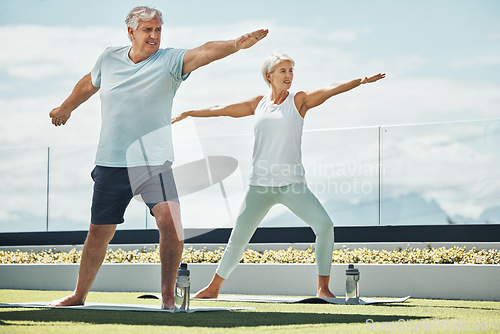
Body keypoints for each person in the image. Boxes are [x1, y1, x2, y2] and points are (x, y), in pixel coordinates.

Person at [47, 6, 268, 310]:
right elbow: (89, 83)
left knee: (170, 222)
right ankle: (78, 295)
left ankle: (167, 297)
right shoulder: (109, 57)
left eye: (158, 29)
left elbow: (203, 52)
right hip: (111, 163)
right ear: (131, 32)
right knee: (99, 232)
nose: (154, 35)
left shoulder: (170, 61)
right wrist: (66, 107)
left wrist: (236, 45)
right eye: (148, 29)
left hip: (153, 163)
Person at [172, 52, 385, 298]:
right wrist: (190, 113)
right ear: (268, 76)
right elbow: (222, 109)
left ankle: (323, 288)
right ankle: (213, 288)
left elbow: (330, 90)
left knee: (325, 226)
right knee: (238, 239)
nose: (289, 75)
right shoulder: (258, 104)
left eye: (291, 70)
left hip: (291, 184)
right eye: (283, 70)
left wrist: (359, 81)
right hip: (259, 186)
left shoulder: (299, 101)